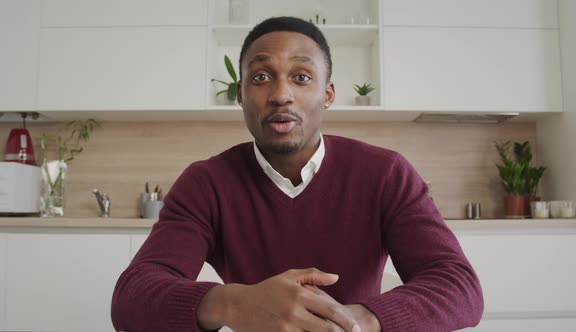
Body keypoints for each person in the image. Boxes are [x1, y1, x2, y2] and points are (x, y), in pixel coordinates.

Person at [111, 16, 484, 332]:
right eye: (261, 77)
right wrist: (235, 304)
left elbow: (458, 285)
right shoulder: (206, 183)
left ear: (328, 94)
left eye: (302, 77)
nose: (281, 95)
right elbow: (132, 296)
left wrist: (356, 320)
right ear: (240, 93)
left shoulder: (386, 173)